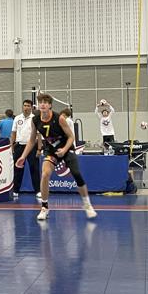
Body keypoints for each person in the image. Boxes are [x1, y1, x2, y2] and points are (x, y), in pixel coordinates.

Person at [16, 94, 96, 222]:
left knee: (76, 174)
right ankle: (44, 208)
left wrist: (64, 150)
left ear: (50, 105)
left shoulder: (59, 118)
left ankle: (87, 204)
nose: (43, 104)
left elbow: (71, 137)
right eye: (41, 102)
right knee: (45, 174)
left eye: (45, 102)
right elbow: (31, 140)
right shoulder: (35, 120)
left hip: (66, 149)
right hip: (51, 151)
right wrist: (23, 156)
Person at [11, 99, 40, 199]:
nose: (26, 107)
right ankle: (15, 190)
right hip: (19, 146)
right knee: (17, 169)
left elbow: (38, 134)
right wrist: (12, 146)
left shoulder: (35, 118)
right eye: (25, 105)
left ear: (31, 107)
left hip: (32, 147)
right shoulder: (17, 118)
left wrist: (39, 149)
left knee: (34, 169)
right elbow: (13, 133)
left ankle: (38, 191)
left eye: (28, 106)